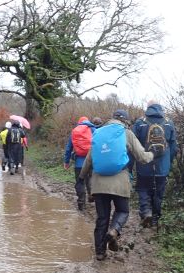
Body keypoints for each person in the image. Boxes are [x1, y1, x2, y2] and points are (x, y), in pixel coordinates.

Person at [80, 109, 155, 260]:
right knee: (122, 211)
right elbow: (142, 157)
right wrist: (153, 154)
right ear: (125, 121)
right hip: (120, 182)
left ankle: (100, 253)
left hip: (99, 183)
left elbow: (89, 159)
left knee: (102, 218)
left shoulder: (98, 133)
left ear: (111, 119)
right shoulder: (126, 133)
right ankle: (114, 230)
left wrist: (82, 177)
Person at [132, 100, 177, 228]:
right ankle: (155, 219)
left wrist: (136, 160)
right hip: (162, 167)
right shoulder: (169, 123)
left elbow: (132, 145)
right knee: (159, 192)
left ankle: (146, 212)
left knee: (143, 189)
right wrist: (169, 162)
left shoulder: (140, 123)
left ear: (148, 108)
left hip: (144, 165)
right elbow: (174, 147)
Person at [63, 116, 97, 210]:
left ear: (79, 122)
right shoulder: (94, 129)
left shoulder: (75, 131)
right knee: (91, 178)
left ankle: (81, 202)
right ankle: (91, 195)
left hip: (79, 163)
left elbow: (68, 148)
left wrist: (66, 162)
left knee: (80, 182)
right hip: (92, 161)